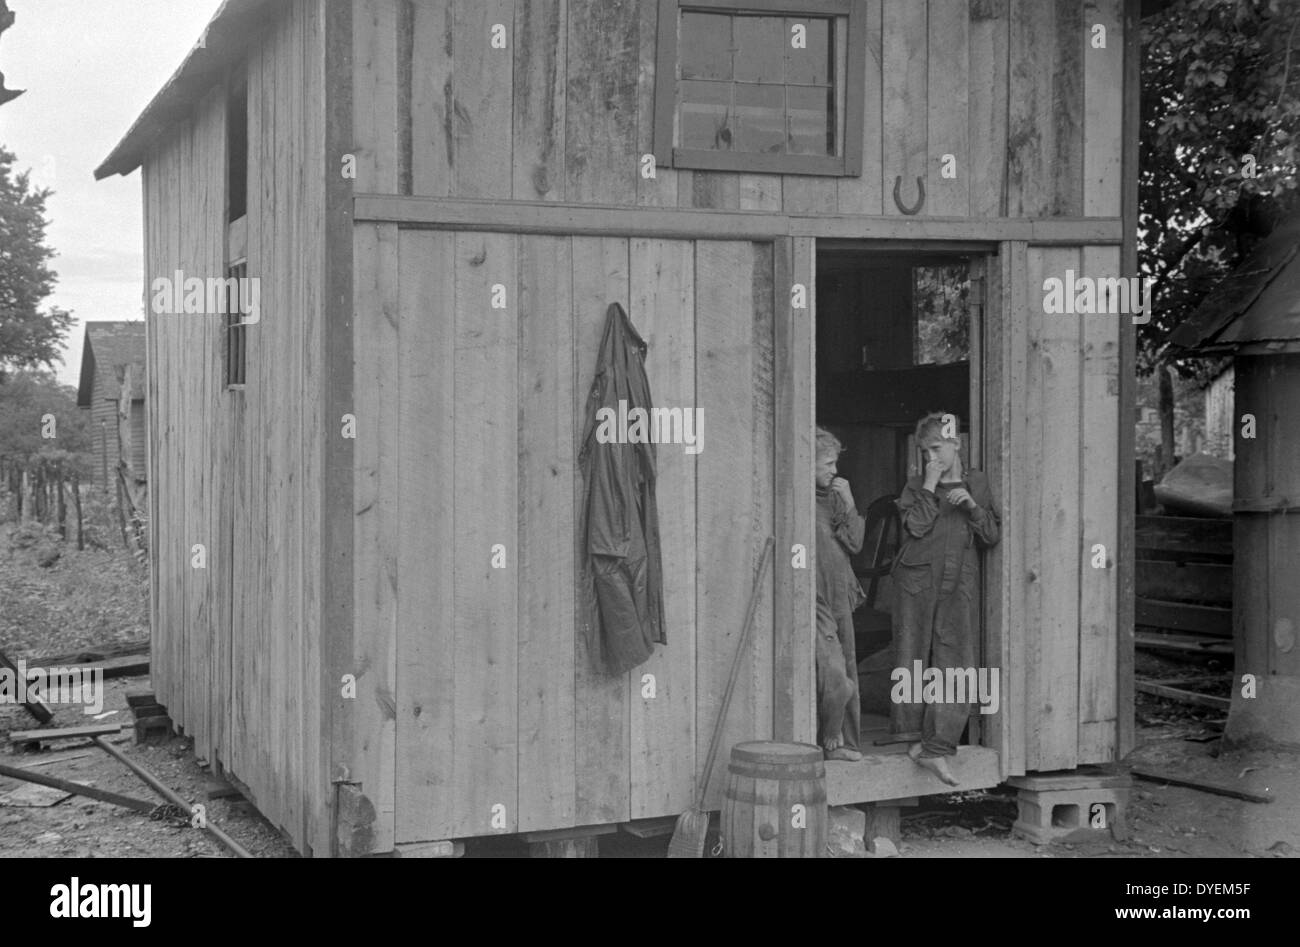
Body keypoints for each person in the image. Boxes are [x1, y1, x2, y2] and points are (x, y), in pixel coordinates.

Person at [890, 412, 1000, 785]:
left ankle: (937, 748)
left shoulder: (977, 483)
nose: (929, 457)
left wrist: (971, 505)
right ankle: (909, 740)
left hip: (959, 583)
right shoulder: (915, 486)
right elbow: (916, 527)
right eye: (924, 451)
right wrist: (929, 485)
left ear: (955, 444)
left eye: (936, 448)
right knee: (912, 657)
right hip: (917, 582)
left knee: (956, 663)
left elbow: (990, 536)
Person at [815, 427, 866, 762]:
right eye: (828, 464)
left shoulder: (834, 497)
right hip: (813, 596)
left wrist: (849, 504)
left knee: (847, 666)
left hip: (839, 591)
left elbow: (855, 544)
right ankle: (824, 737)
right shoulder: (792, 496)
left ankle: (844, 743)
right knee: (835, 676)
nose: (834, 472)